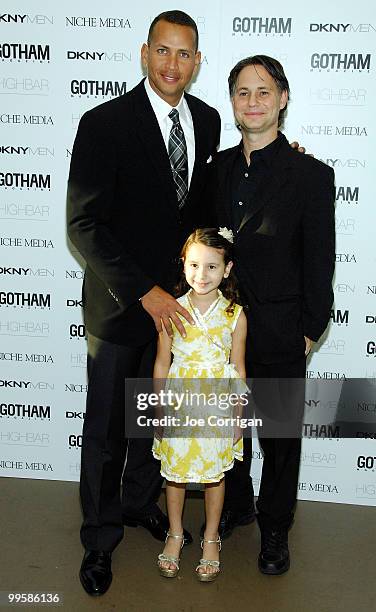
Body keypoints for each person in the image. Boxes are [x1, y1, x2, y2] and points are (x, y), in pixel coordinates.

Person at [66, 10, 220, 596]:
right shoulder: (103, 123)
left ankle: (137, 505)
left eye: (184, 54)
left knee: (153, 423)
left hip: (180, 314)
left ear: (197, 61)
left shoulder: (205, 121)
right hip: (119, 307)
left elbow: (201, 212)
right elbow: (83, 225)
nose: (172, 64)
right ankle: (100, 539)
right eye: (162, 51)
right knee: (107, 428)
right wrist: (144, 290)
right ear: (143, 52)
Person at [212, 55, 335, 574]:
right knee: (224, 425)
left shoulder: (311, 175)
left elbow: (319, 258)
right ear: (233, 103)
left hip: (283, 329)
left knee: (280, 438)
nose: (253, 101)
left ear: (283, 98)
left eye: (263, 91)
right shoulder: (215, 169)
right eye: (243, 92)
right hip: (219, 329)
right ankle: (237, 505)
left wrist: (310, 328)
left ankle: (275, 529)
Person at [152, 228, 248, 582]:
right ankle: (175, 533)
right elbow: (162, 362)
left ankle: (211, 538)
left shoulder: (235, 315)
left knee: (213, 476)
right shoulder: (171, 309)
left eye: (211, 266)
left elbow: (238, 368)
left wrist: (239, 415)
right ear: (184, 266)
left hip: (217, 407)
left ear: (227, 269)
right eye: (194, 265)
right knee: (173, 475)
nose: (201, 274)